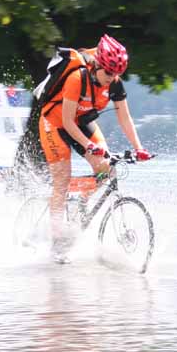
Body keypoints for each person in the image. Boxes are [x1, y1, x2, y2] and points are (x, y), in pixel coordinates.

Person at [39, 34, 152, 263]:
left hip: (82, 122)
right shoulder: (76, 79)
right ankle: (56, 240)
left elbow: (125, 118)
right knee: (62, 179)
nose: (112, 78)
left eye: (117, 73)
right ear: (98, 64)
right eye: (109, 72)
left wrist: (139, 148)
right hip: (55, 123)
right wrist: (89, 145)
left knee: (107, 169)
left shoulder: (115, 82)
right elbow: (68, 122)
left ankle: (81, 200)